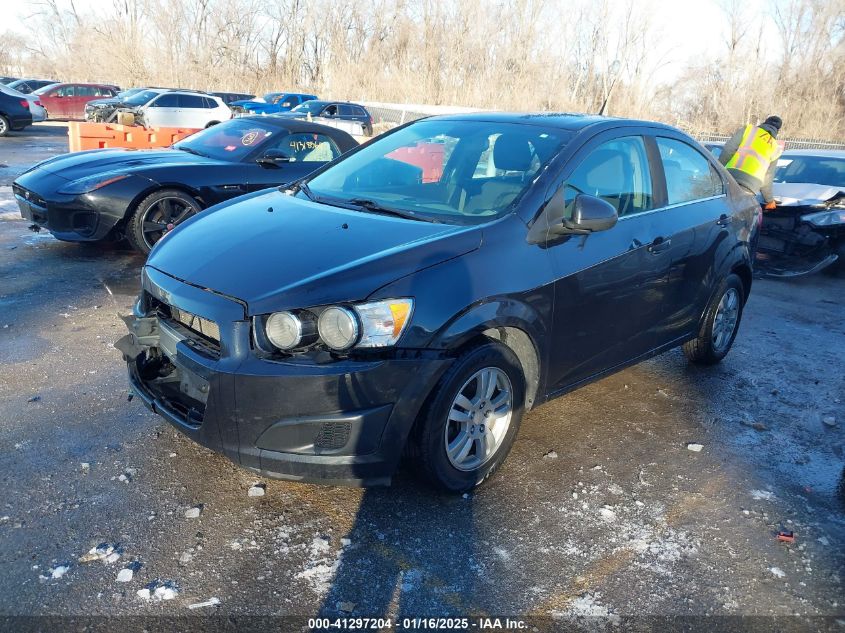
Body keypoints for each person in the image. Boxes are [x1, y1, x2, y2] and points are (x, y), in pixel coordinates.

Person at [719, 115, 784, 210]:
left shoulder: (749, 130)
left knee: (720, 208)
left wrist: (717, 169)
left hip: (730, 177)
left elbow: (728, 150)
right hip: (751, 187)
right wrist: (769, 200)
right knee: (736, 214)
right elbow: (768, 177)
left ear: (764, 122)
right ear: (778, 130)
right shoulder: (775, 148)